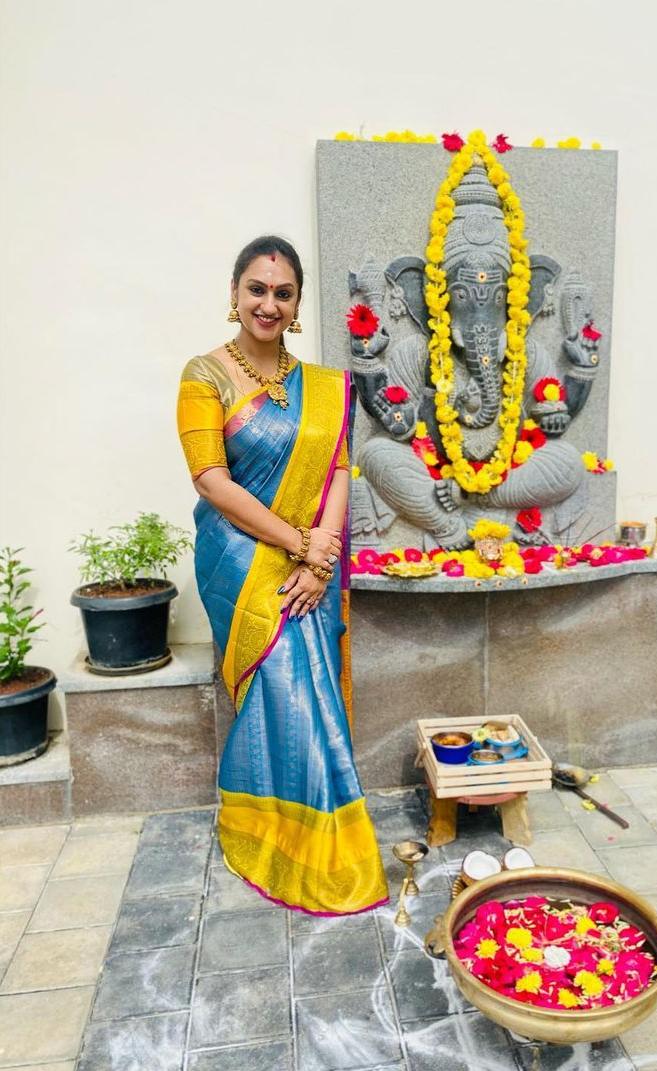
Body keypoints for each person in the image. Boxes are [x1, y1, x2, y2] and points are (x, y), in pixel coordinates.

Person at [176, 235, 388, 915]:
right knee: (286, 683)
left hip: (310, 558)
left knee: (311, 686)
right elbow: (211, 481)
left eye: (283, 293)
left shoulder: (323, 387)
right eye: (257, 289)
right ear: (235, 293)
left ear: (297, 304)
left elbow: (339, 469)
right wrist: (301, 544)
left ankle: (320, 836)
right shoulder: (204, 375)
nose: (269, 303)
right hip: (238, 560)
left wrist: (321, 556)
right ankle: (269, 830)